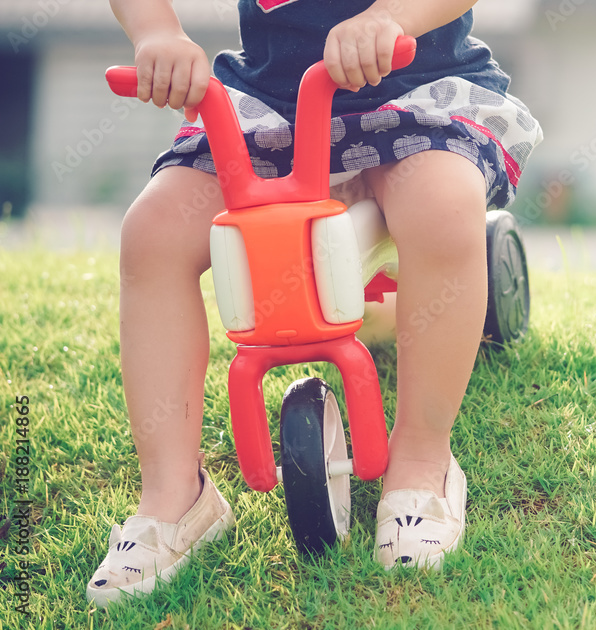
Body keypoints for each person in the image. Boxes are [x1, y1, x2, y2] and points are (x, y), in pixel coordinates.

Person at [87, 0, 541, 607]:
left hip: (412, 93)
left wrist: (391, 19)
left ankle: (422, 462)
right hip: (269, 108)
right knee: (153, 232)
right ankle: (173, 494)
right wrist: (157, 31)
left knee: (441, 206)